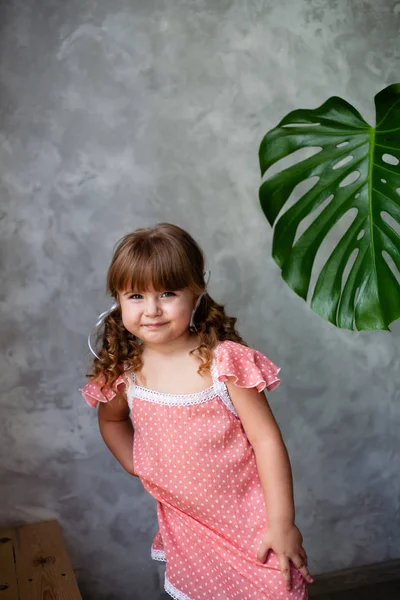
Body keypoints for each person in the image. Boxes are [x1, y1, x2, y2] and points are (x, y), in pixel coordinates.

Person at [81, 223, 313, 600]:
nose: (152, 309)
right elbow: (110, 420)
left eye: (168, 293)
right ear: (118, 299)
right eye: (136, 295)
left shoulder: (225, 363)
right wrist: (140, 463)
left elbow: (266, 440)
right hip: (189, 527)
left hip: (249, 525)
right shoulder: (125, 371)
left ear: (196, 292)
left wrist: (282, 523)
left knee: (278, 590)